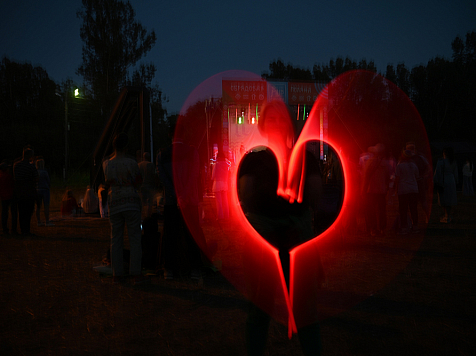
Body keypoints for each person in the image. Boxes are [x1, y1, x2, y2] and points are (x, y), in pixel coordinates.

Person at [239, 100, 323, 356]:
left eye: (280, 118)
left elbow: (316, 198)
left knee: (304, 308)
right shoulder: (252, 161)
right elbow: (246, 198)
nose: (276, 124)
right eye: (270, 119)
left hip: (296, 240)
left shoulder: (307, 159)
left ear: (290, 124)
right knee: (260, 307)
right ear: (263, 125)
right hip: (264, 243)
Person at [156, 123, 206, 280]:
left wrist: (176, 195)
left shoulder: (162, 154)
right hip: (189, 201)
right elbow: (194, 176)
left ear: (170, 135)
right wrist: (183, 196)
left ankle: (169, 269)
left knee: (170, 235)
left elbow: (163, 178)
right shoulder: (193, 152)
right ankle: (195, 269)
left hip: (171, 201)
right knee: (192, 234)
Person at [103, 132, 147, 285]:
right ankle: (136, 272)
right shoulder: (131, 163)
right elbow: (138, 182)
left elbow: (107, 182)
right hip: (131, 202)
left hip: (114, 202)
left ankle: (117, 274)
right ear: (126, 146)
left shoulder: (107, 163)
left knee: (116, 239)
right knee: (134, 238)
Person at [360, 143, 391, 237]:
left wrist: (363, 190)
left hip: (371, 190)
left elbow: (366, 177)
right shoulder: (386, 163)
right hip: (382, 190)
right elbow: (388, 176)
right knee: (382, 211)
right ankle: (382, 229)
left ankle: (373, 229)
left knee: (371, 211)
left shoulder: (369, 162)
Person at [13, 147, 38, 236]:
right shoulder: (31, 166)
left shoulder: (16, 165)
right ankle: (26, 230)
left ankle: (23, 230)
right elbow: (36, 178)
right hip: (29, 191)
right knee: (28, 211)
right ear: (30, 156)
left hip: (19, 191)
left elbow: (15, 178)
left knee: (21, 211)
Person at [406, 142, 431, 223]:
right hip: (418, 181)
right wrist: (424, 176)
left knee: (414, 202)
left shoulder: (408, 158)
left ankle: (415, 221)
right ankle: (426, 218)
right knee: (422, 201)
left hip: (413, 182)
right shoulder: (420, 157)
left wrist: (424, 176)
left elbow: (428, 168)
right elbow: (428, 168)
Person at [395, 149, 419, 234]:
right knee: (413, 208)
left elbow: (397, 179)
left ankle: (404, 227)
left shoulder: (400, 166)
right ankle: (415, 226)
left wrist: (395, 190)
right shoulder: (414, 165)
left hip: (403, 189)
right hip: (413, 189)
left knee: (403, 209)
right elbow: (417, 176)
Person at [434, 147, 458, 223]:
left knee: (443, 199)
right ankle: (448, 215)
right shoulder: (453, 161)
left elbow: (437, 172)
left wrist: (435, 181)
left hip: (443, 181)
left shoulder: (441, 161)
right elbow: (456, 173)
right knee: (450, 199)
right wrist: (456, 181)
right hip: (451, 180)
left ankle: (446, 215)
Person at [138, 152, 158, 217]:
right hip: (149, 185)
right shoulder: (151, 165)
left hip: (141, 185)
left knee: (141, 202)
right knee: (149, 202)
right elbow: (154, 175)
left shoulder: (139, 165)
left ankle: (141, 216)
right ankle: (148, 216)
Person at [0, 160, 18, 235]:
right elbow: (13, 185)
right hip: (11, 196)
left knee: (4, 213)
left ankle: (5, 229)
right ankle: (13, 229)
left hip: (3, 197)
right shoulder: (9, 176)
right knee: (14, 213)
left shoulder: (1, 176)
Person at [35, 158, 53, 226]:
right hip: (45, 190)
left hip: (37, 189)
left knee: (38, 206)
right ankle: (47, 221)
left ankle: (38, 221)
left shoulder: (35, 172)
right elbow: (48, 181)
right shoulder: (44, 172)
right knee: (46, 206)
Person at [212, 151, 230, 220]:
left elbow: (213, 176)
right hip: (225, 183)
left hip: (217, 184)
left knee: (219, 201)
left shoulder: (216, 164)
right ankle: (227, 215)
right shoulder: (226, 164)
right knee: (225, 200)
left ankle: (220, 216)